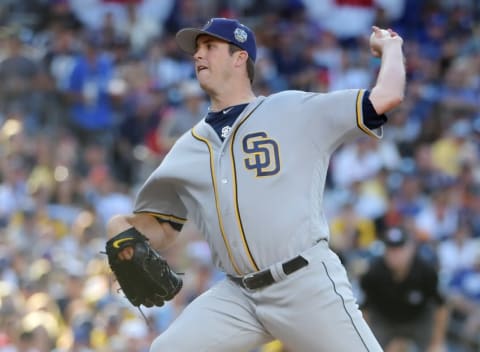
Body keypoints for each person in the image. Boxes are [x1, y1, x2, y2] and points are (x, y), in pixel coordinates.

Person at [106, 17, 405, 351]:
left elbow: (387, 96)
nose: (197, 55)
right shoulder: (188, 147)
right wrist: (119, 226)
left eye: (209, 47)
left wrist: (392, 48)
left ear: (239, 57)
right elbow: (162, 228)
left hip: (303, 283)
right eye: (196, 50)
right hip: (239, 296)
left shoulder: (292, 109)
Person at [359, 227, 448, 351]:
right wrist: (364, 341)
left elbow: (441, 306)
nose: (395, 254)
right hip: (385, 320)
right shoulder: (374, 273)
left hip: (419, 319)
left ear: (411, 249)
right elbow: (365, 308)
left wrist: (437, 340)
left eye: (399, 249)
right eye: (390, 249)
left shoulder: (425, 270)